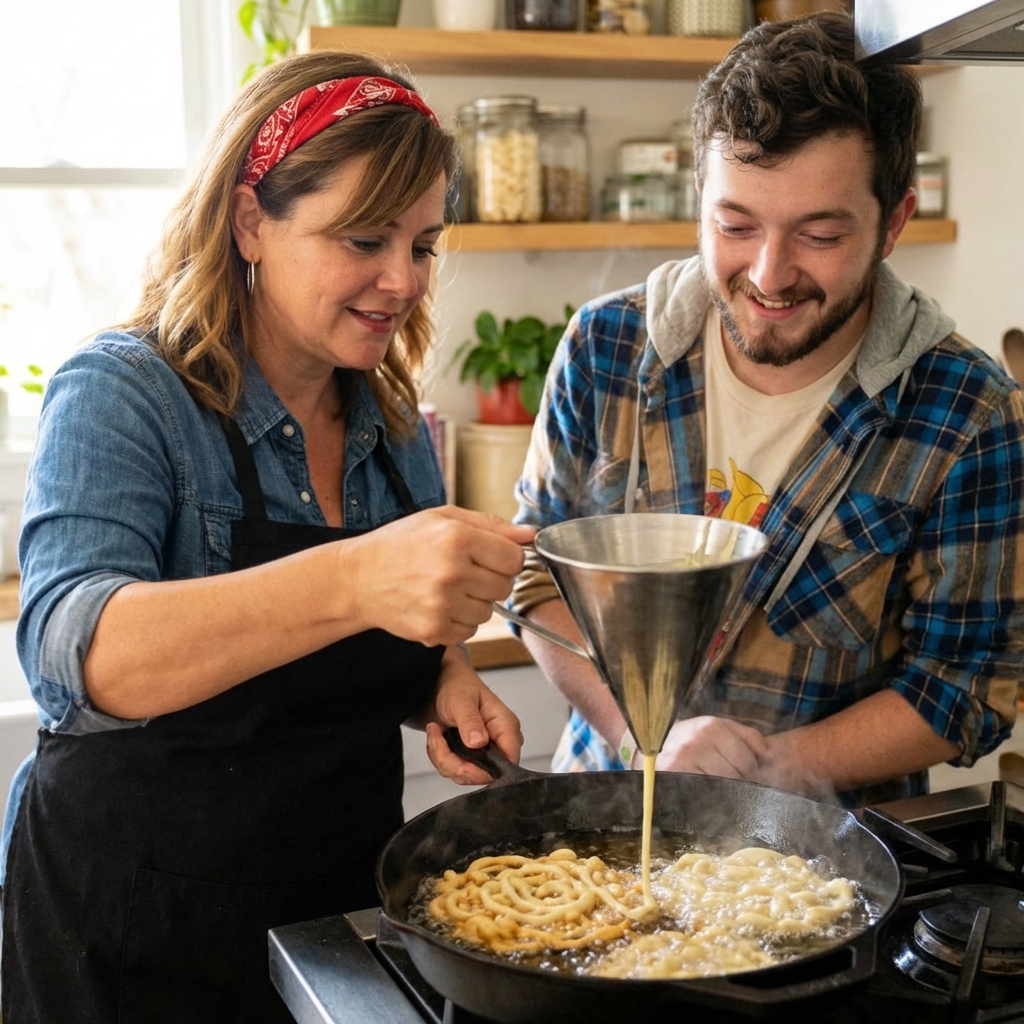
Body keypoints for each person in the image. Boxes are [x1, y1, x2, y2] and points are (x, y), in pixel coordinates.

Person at [0, 51, 535, 1024]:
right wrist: (358, 575)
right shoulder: (126, 393)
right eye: (364, 238)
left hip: (334, 926)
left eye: (422, 244)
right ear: (252, 219)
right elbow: (71, 656)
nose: (402, 278)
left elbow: (381, 640)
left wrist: (442, 677)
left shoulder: (391, 421)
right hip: (124, 932)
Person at [511, 12, 1024, 808]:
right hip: (601, 825)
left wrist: (758, 772)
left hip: (825, 860)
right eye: (735, 226)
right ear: (699, 201)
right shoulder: (605, 348)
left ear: (893, 222)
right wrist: (643, 734)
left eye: (818, 233)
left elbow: (968, 683)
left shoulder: (969, 412)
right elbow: (538, 576)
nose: (769, 274)